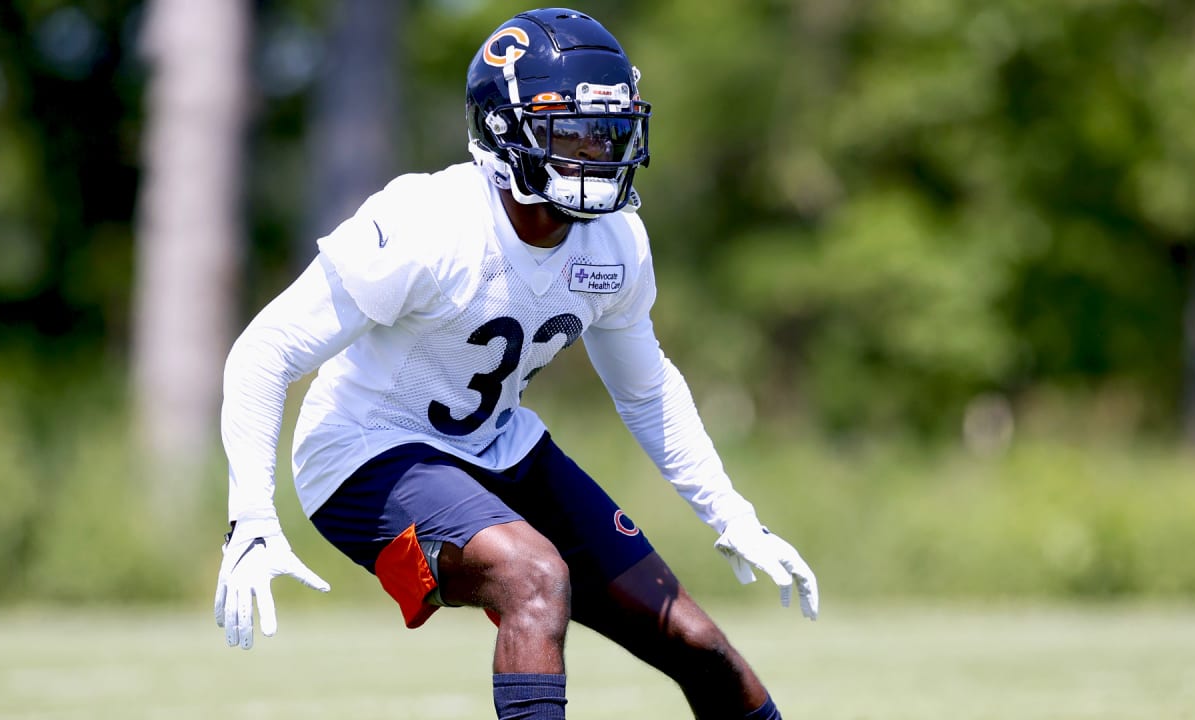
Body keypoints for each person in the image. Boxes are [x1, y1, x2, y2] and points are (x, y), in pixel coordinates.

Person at [213, 8, 818, 719]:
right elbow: (267, 350)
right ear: (505, 131)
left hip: (497, 444)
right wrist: (250, 515)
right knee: (533, 576)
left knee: (694, 641)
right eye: (573, 131)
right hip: (367, 453)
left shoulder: (615, 243)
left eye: (609, 129)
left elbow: (647, 390)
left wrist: (731, 512)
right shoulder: (433, 222)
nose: (597, 150)